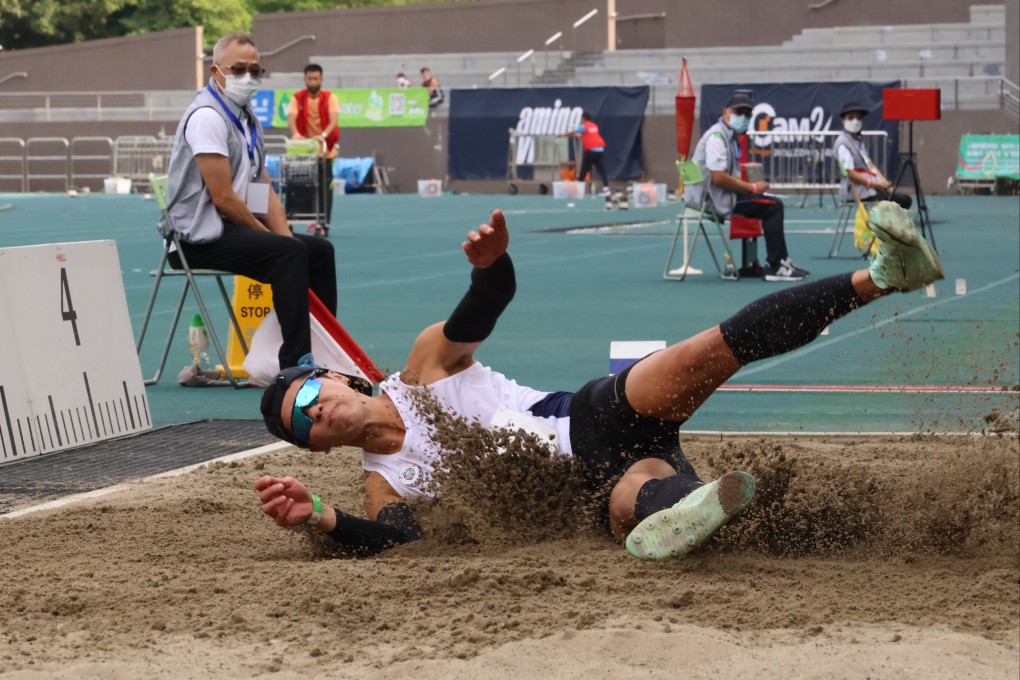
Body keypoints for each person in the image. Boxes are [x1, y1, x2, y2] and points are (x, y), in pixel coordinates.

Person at [254, 201, 943, 561]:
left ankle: (881, 277)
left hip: (589, 417)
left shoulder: (423, 367)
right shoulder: (384, 481)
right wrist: (323, 517)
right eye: (304, 425)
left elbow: (483, 307)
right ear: (317, 450)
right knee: (638, 499)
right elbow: (402, 542)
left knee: (710, 349)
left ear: (338, 376)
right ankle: (697, 505)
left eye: (312, 395)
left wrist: (492, 266)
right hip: (580, 489)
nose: (318, 413)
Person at [159, 32, 337, 370]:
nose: (248, 77)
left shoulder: (246, 118)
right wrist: (273, 239)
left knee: (318, 251)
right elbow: (223, 198)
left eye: (255, 70)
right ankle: (296, 366)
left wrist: (282, 232)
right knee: (288, 253)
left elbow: (262, 187)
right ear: (216, 71)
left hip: (229, 227)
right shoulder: (208, 117)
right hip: (196, 237)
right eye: (238, 69)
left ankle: (327, 350)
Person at [686, 91, 807, 282]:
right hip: (715, 200)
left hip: (722, 196)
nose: (742, 117)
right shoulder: (717, 138)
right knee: (773, 206)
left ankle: (782, 261)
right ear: (725, 112)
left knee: (770, 202)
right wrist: (751, 188)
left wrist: (751, 187)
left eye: (747, 114)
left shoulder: (730, 137)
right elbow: (718, 178)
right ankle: (776, 266)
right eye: (738, 112)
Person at [287, 63, 340, 236]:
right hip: (304, 152)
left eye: (316, 78)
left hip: (324, 151)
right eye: (309, 78)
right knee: (298, 186)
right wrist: (295, 134)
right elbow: (292, 119)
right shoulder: (298, 98)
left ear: (322, 79)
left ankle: (323, 224)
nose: (312, 82)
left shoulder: (330, 98)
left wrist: (323, 135)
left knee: (324, 188)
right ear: (305, 79)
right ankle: (292, 220)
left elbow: (333, 121)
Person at [834, 102, 912, 210]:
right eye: (850, 118)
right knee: (902, 201)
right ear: (843, 121)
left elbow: (870, 165)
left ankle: (884, 225)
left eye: (858, 118)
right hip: (855, 191)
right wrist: (874, 185)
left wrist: (884, 183)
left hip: (869, 188)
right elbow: (850, 174)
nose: (855, 121)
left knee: (904, 199)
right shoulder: (843, 143)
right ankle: (885, 225)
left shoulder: (858, 141)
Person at [561, 111, 610, 195]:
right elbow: (584, 135)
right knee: (602, 170)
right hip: (600, 150)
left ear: (583, 118)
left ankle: (577, 190)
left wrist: (562, 135)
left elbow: (573, 132)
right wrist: (577, 135)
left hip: (591, 151)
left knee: (584, 170)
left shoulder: (584, 126)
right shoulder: (594, 126)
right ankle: (606, 189)